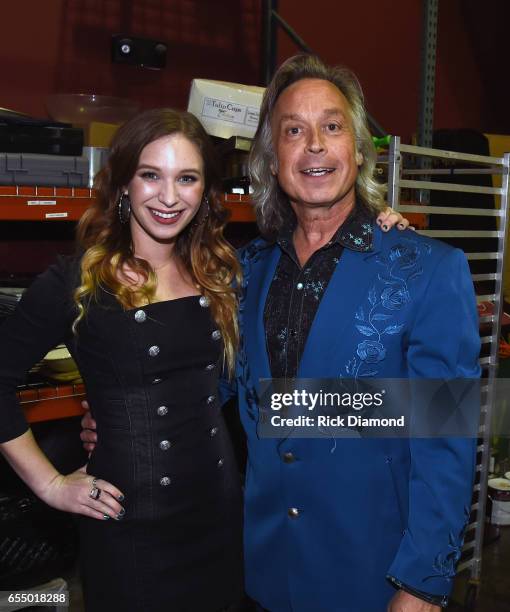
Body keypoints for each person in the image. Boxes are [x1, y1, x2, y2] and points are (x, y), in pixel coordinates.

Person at [0, 108, 246, 611]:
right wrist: (50, 484)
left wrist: (373, 218)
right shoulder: (79, 282)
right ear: (123, 185)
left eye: (188, 178)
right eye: (151, 175)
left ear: (205, 192)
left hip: (219, 518)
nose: (170, 196)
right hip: (133, 532)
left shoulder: (219, 272)